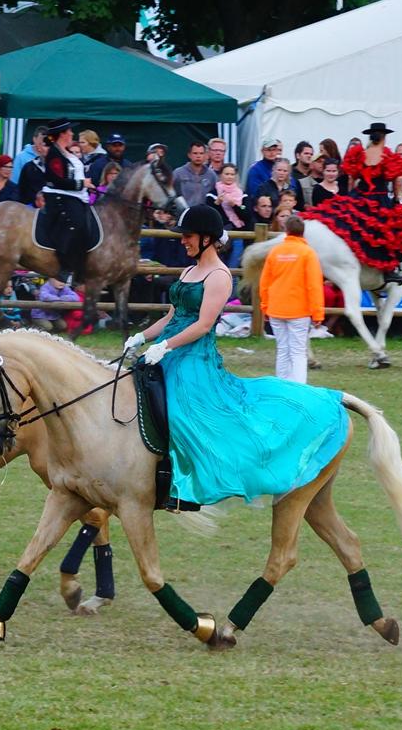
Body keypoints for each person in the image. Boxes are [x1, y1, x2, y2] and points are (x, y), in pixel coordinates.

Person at [124, 203, 348, 512]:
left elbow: (203, 325)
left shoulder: (219, 276)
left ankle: (180, 486)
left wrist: (166, 347)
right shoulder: (189, 270)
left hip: (192, 359)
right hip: (167, 350)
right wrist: (142, 337)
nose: (183, 241)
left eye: (188, 236)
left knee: (178, 412)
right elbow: (170, 318)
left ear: (206, 238)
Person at [298, 123, 402, 285]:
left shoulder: (359, 154)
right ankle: (390, 271)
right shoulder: (388, 156)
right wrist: (395, 200)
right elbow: (396, 182)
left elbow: (352, 179)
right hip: (379, 198)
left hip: (359, 196)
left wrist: (351, 197)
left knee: (348, 227)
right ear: (384, 137)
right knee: (393, 231)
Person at [259, 215, 324, 384]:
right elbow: (314, 285)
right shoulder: (308, 253)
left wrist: (265, 306)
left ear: (286, 231)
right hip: (299, 311)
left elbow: (265, 282)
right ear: (303, 233)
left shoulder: (275, 252)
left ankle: (282, 385)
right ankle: (298, 387)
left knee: (282, 349)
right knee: (298, 351)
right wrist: (317, 313)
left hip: (276, 308)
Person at [39, 117, 93, 285]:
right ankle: (66, 266)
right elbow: (57, 180)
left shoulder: (66, 152)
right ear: (62, 134)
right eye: (69, 131)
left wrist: (85, 185)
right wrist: (82, 183)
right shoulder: (54, 154)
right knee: (77, 224)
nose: (72, 133)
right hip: (59, 196)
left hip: (74, 195)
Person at [173, 141, 218, 208]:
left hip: (205, 214)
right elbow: (172, 194)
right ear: (189, 155)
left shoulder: (212, 175)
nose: (198, 156)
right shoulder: (178, 173)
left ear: (205, 155)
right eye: (195, 153)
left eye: (201, 153)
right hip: (184, 213)